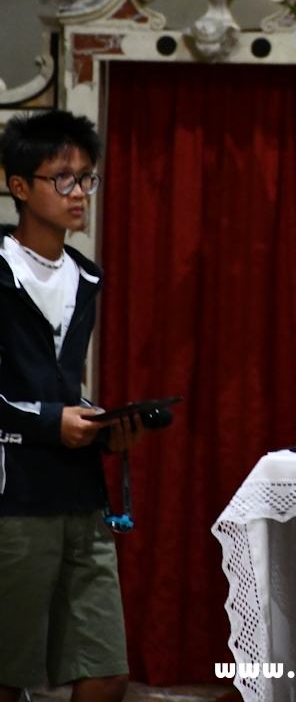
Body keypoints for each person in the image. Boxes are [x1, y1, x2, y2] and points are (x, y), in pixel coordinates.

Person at [0, 110, 142, 702]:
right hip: (14, 497)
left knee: (106, 669)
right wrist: (48, 422)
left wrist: (102, 423)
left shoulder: (85, 275)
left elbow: (59, 383)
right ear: (19, 186)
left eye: (87, 178)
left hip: (82, 494)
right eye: (63, 178)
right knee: (8, 676)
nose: (79, 192)